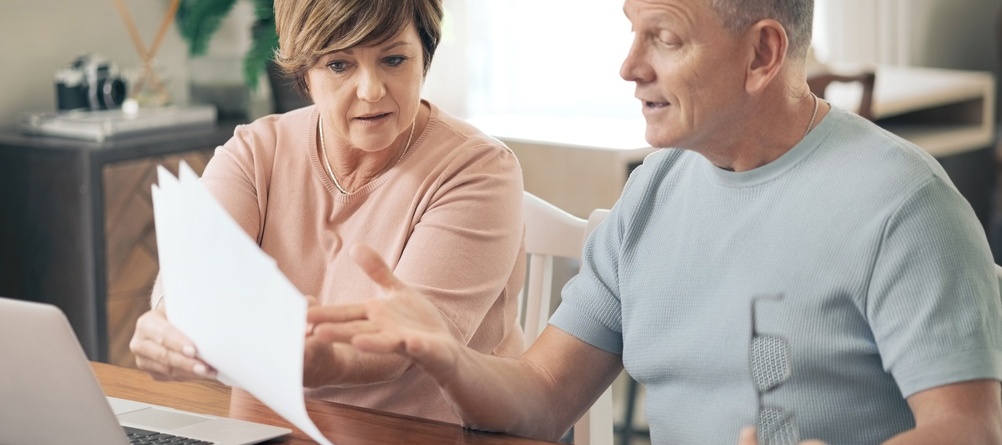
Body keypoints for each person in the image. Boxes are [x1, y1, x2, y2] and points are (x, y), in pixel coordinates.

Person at [306, 0, 1002, 443]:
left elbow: (968, 427)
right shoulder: (655, 193)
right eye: (631, 31)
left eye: (663, 37)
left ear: (762, 54)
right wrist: (445, 355)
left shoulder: (906, 206)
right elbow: (545, 397)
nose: (629, 66)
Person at [128, 0, 527, 424]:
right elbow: (194, 278)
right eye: (339, 65)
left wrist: (321, 359)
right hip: (265, 432)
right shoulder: (255, 152)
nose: (371, 89)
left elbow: (414, 343)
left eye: (394, 59)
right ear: (304, 73)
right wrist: (169, 326)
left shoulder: (480, 170)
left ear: (424, 56)